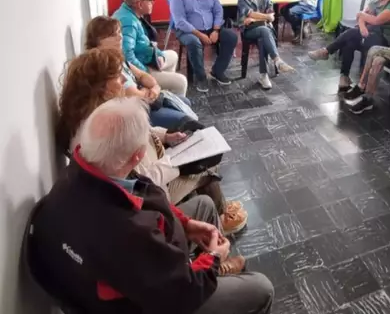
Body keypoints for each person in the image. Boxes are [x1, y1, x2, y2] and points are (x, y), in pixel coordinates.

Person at [34, 96, 274, 314]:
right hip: (155, 300)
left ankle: (213, 275)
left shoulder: (78, 171)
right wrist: (212, 257)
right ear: (138, 156)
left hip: (116, 274)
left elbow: (143, 196)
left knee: (205, 206)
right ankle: (211, 272)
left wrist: (185, 223)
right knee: (262, 288)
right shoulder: (128, 230)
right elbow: (181, 293)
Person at [57, 46, 248, 236]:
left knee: (201, 156)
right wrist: (176, 164)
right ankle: (220, 220)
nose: (124, 80)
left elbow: (142, 135)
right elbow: (140, 183)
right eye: (116, 76)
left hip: (158, 167)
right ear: (100, 87)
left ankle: (218, 213)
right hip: (156, 188)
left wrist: (166, 136)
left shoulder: (97, 117)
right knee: (207, 168)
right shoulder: (104, 131)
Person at [83, 16, 194, 130]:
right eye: (113, 35)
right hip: (133, 114)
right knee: (186, 121)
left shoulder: (116, 56)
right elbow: (135, 96)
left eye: (119, 32)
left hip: (145, 103)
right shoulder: (102, 65)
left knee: (185, 102)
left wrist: (155, 88)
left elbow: (142, 75)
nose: (120, 37)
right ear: (97, 41)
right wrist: (148, 91)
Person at [307, 0, 390, 92]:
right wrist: (362, 26)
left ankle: (327, 51)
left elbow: (376, 20)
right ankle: (344, 77)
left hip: (382, 39)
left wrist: (362, 16)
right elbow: (361, 17)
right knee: (350, 42)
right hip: (367, 34)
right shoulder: (376, 1)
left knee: (351, 33)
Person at [171, 0, 237, 92]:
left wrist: (216, 30)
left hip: (211, 28)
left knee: (231, 37)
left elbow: (218, 10)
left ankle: (217, 71)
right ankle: (201, 78)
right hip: (188, 31)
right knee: (194, 42)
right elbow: (180, 21)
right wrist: (199, 34)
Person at [112, 0, 188, 96]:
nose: (153, 3)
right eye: (150, 0)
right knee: (181, 82)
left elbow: (145, 43)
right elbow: (127, 57)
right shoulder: (129, 22)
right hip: (140, 68)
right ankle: (172, 101)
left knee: (173, 55)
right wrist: (145, 74)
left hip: (144, 58)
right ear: (140, 4)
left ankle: (165, 94)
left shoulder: (128, 13)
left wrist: (159, 55)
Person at [237, 0, 294, 89]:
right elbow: (250, 13)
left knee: (262, 37)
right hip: (249, 30)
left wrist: (255, 18)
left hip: (265, 30)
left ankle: (264, 76)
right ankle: (277, 61)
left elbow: (271, 16)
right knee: (264, 30)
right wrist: (265, 17)